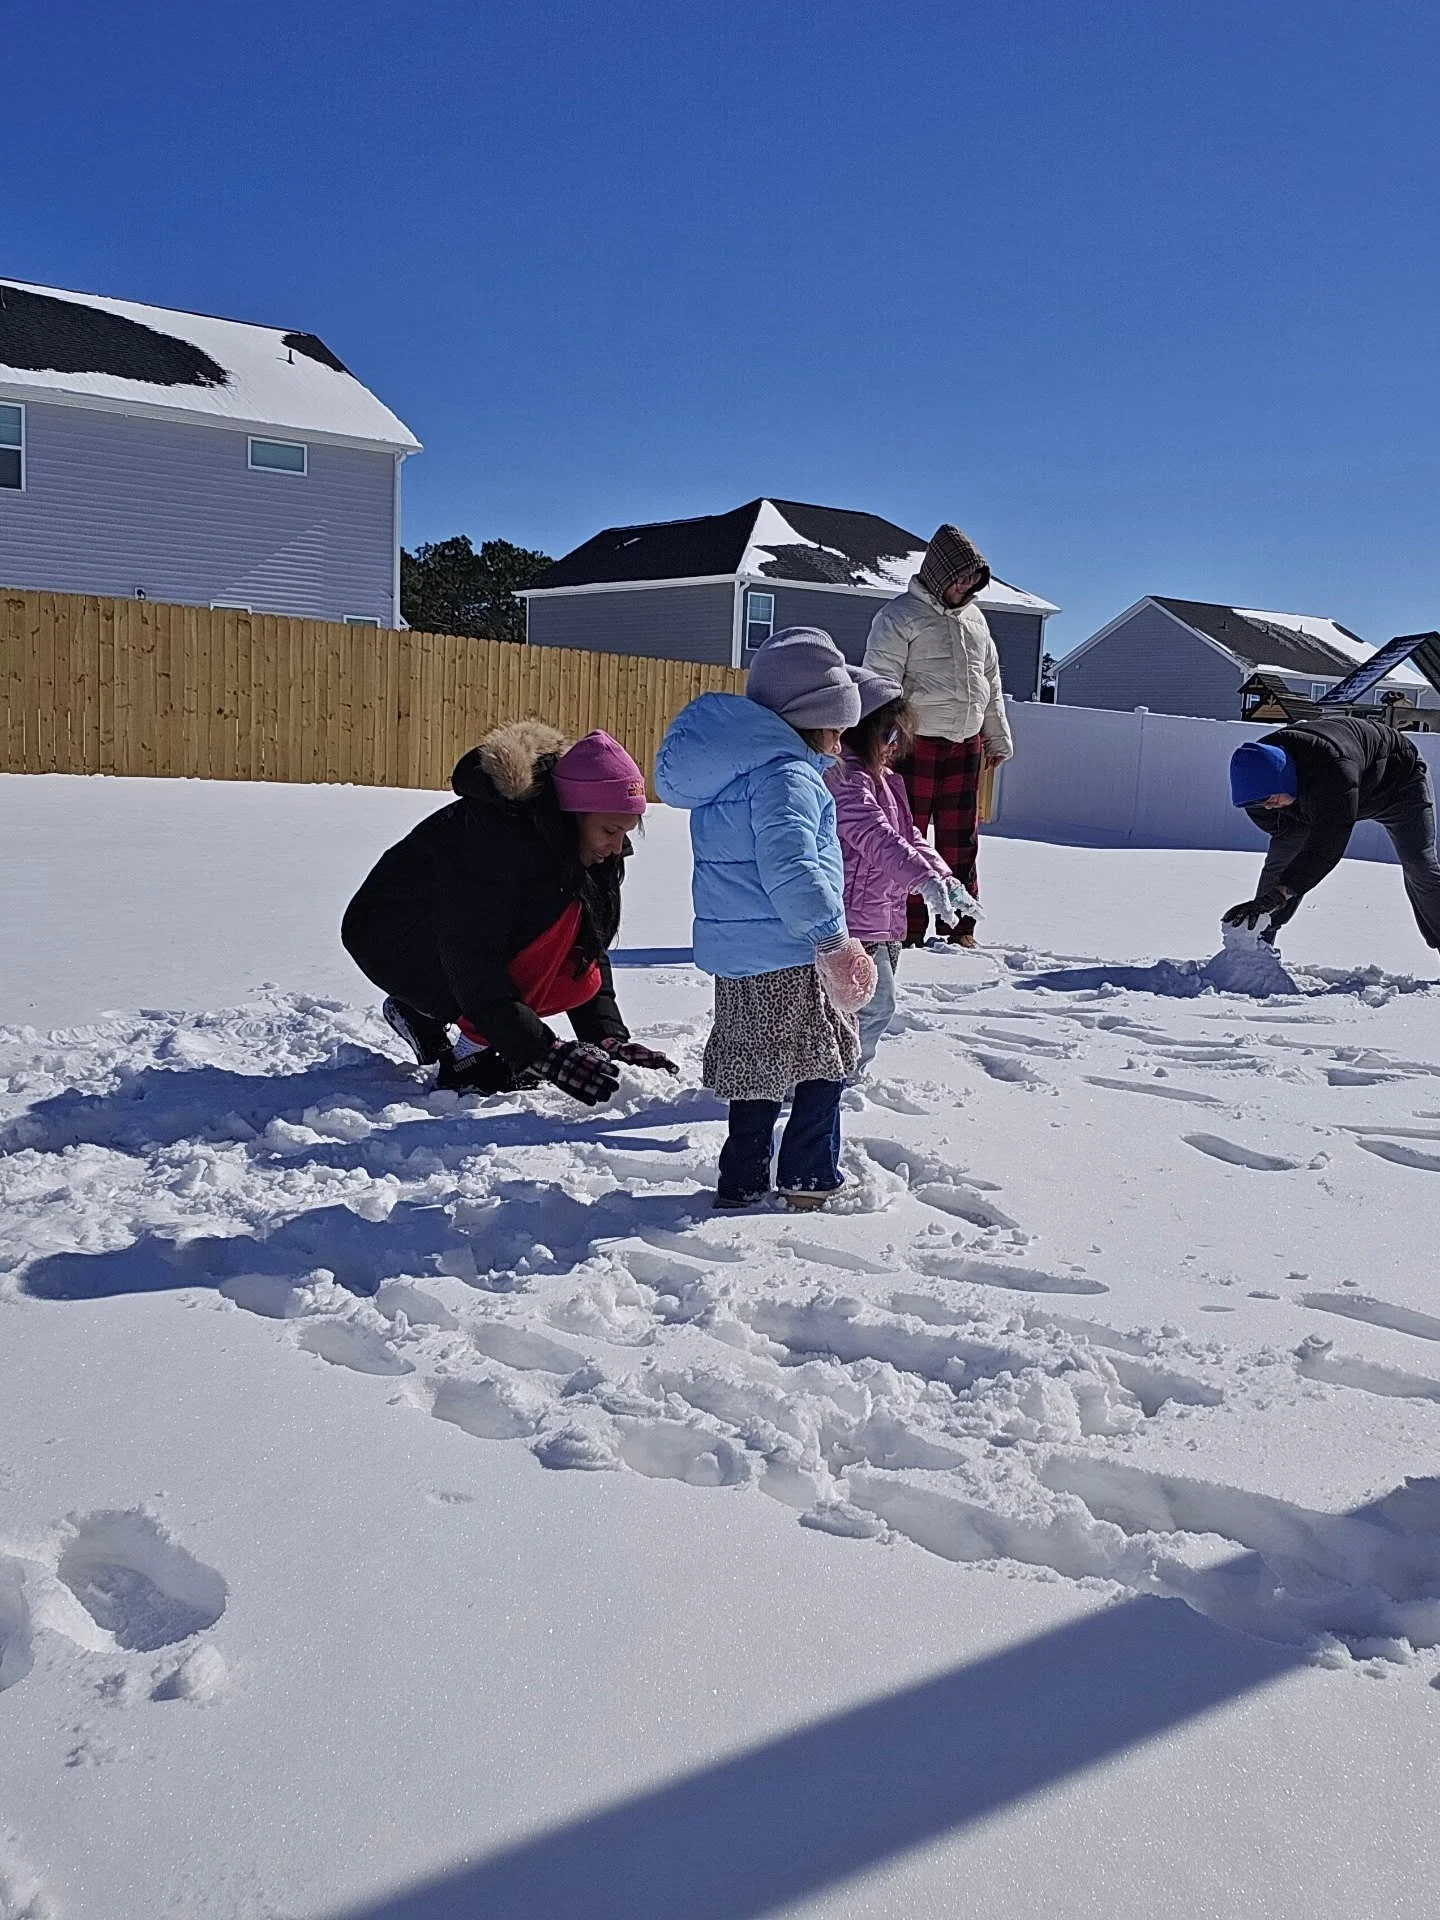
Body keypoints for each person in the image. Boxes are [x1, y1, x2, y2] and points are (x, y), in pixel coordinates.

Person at [654, 628, 877, 1210]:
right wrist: (831, 939)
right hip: (792, 949)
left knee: (755, 1070)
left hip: (739, 958)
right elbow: (794, 865)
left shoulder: (730, 775)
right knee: (822, 1064)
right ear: (813, 719)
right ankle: (809, 1178)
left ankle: (743, 1179)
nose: (842, 740)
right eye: (838, 726)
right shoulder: (789, 776)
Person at [341, 723, 678, 1102]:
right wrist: (541, 1053)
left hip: (457, 942)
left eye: (625, 832)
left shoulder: (583, 848)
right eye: (610, 831)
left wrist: (606, 1036)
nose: (617, 847)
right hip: (392, 935)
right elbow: (471, 955)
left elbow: (587, 946)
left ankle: (423, 1014)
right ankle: (469, 1060)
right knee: (538, 939)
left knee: (565, 935)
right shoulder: (495, 840)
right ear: (572, 814)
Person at [863, 524, 1012, 948]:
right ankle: (905, 929)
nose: (965, 587)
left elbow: (991, 683)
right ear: (939, 574)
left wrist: (996, 738)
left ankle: (960, 927)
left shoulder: (977, 622)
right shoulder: (898, 617)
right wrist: (881, 741)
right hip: (913, 743)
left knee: (960, 839)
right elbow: (881, 681)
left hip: (966, 744)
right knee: (905, 835)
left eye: (972, 580)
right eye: (959, 578)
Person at [826, 667, 977, 1072]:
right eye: (890, 735)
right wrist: (921, 879)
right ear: (861, 730)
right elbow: (873, 834)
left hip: (883, 915)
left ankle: (839, 1074)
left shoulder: (887, 780)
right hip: (854, 918)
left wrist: (945, 878)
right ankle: (837, 1077)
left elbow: (909, 835)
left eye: (901, 737)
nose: (897, 746)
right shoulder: (846, 778)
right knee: (872, 1006)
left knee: (861, 1005)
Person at [1224, 717, 1440, 951]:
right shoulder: (1259, 782)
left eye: (1271, 799)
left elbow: (1325, 847)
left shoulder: (1332, 771)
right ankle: (1255, 946)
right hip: (1316, 798)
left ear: (1284, 778)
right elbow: (1286, 843)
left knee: (1420, 864)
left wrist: (1283, 891)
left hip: (1398, 783)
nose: (1267, 806)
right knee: (1283, 861)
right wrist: (1268, 901)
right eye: (1260, 803)